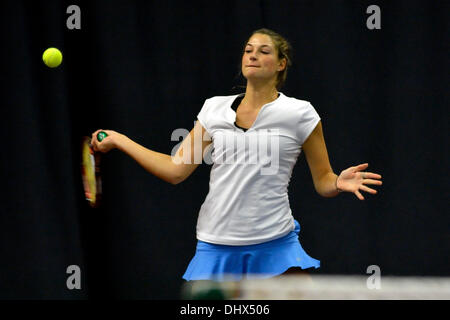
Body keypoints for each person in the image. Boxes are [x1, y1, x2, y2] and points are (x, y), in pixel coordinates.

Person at [91, 28, 383, 281]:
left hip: (275, 243)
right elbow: (175, 170)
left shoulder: (300, 113)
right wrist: (120, 140)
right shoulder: (213, 108)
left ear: (281, 64)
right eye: (248, 50)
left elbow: (323, 180)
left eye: (263, 51)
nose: (252, 55)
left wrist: (337, 183)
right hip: (215, 242)